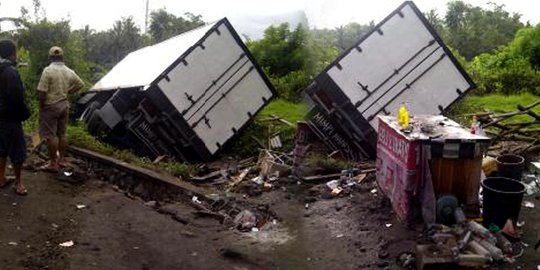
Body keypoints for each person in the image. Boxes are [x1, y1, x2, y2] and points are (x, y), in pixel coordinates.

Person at [37, 46, 84, 171]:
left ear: (50, 57)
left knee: (51, 135)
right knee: (62, 134)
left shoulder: (47, 71)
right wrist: (68, 92)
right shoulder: (69, 71)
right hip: (64, 105)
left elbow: (42, 92)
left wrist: (41, 108)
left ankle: (53, 163)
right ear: (62, 57)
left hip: (51, 105)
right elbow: (80, 84)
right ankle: (61, 159)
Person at [0, 39, 30, 195]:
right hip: (10, 118)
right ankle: (18, 183)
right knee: (17, 151)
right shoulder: (10, 72)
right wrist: (25, 113)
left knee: (2, 148)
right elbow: (17, 98)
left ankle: (1, 178)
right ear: (12, 53)